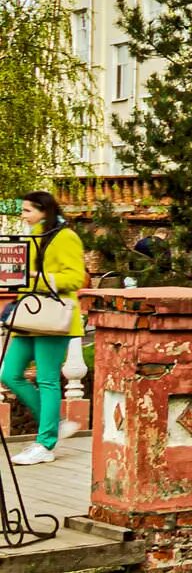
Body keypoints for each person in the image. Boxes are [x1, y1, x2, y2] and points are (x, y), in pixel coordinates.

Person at [3, 191, 86, 465]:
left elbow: (75, 278)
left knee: (47, 379)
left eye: (27, 210)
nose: (23, 215)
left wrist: (34, 279)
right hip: (29, 316)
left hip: (53, 316)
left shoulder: (66, 237)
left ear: (43, 210)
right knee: (9, 373)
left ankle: (45, 443)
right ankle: (56, 424)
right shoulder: (34, 234)